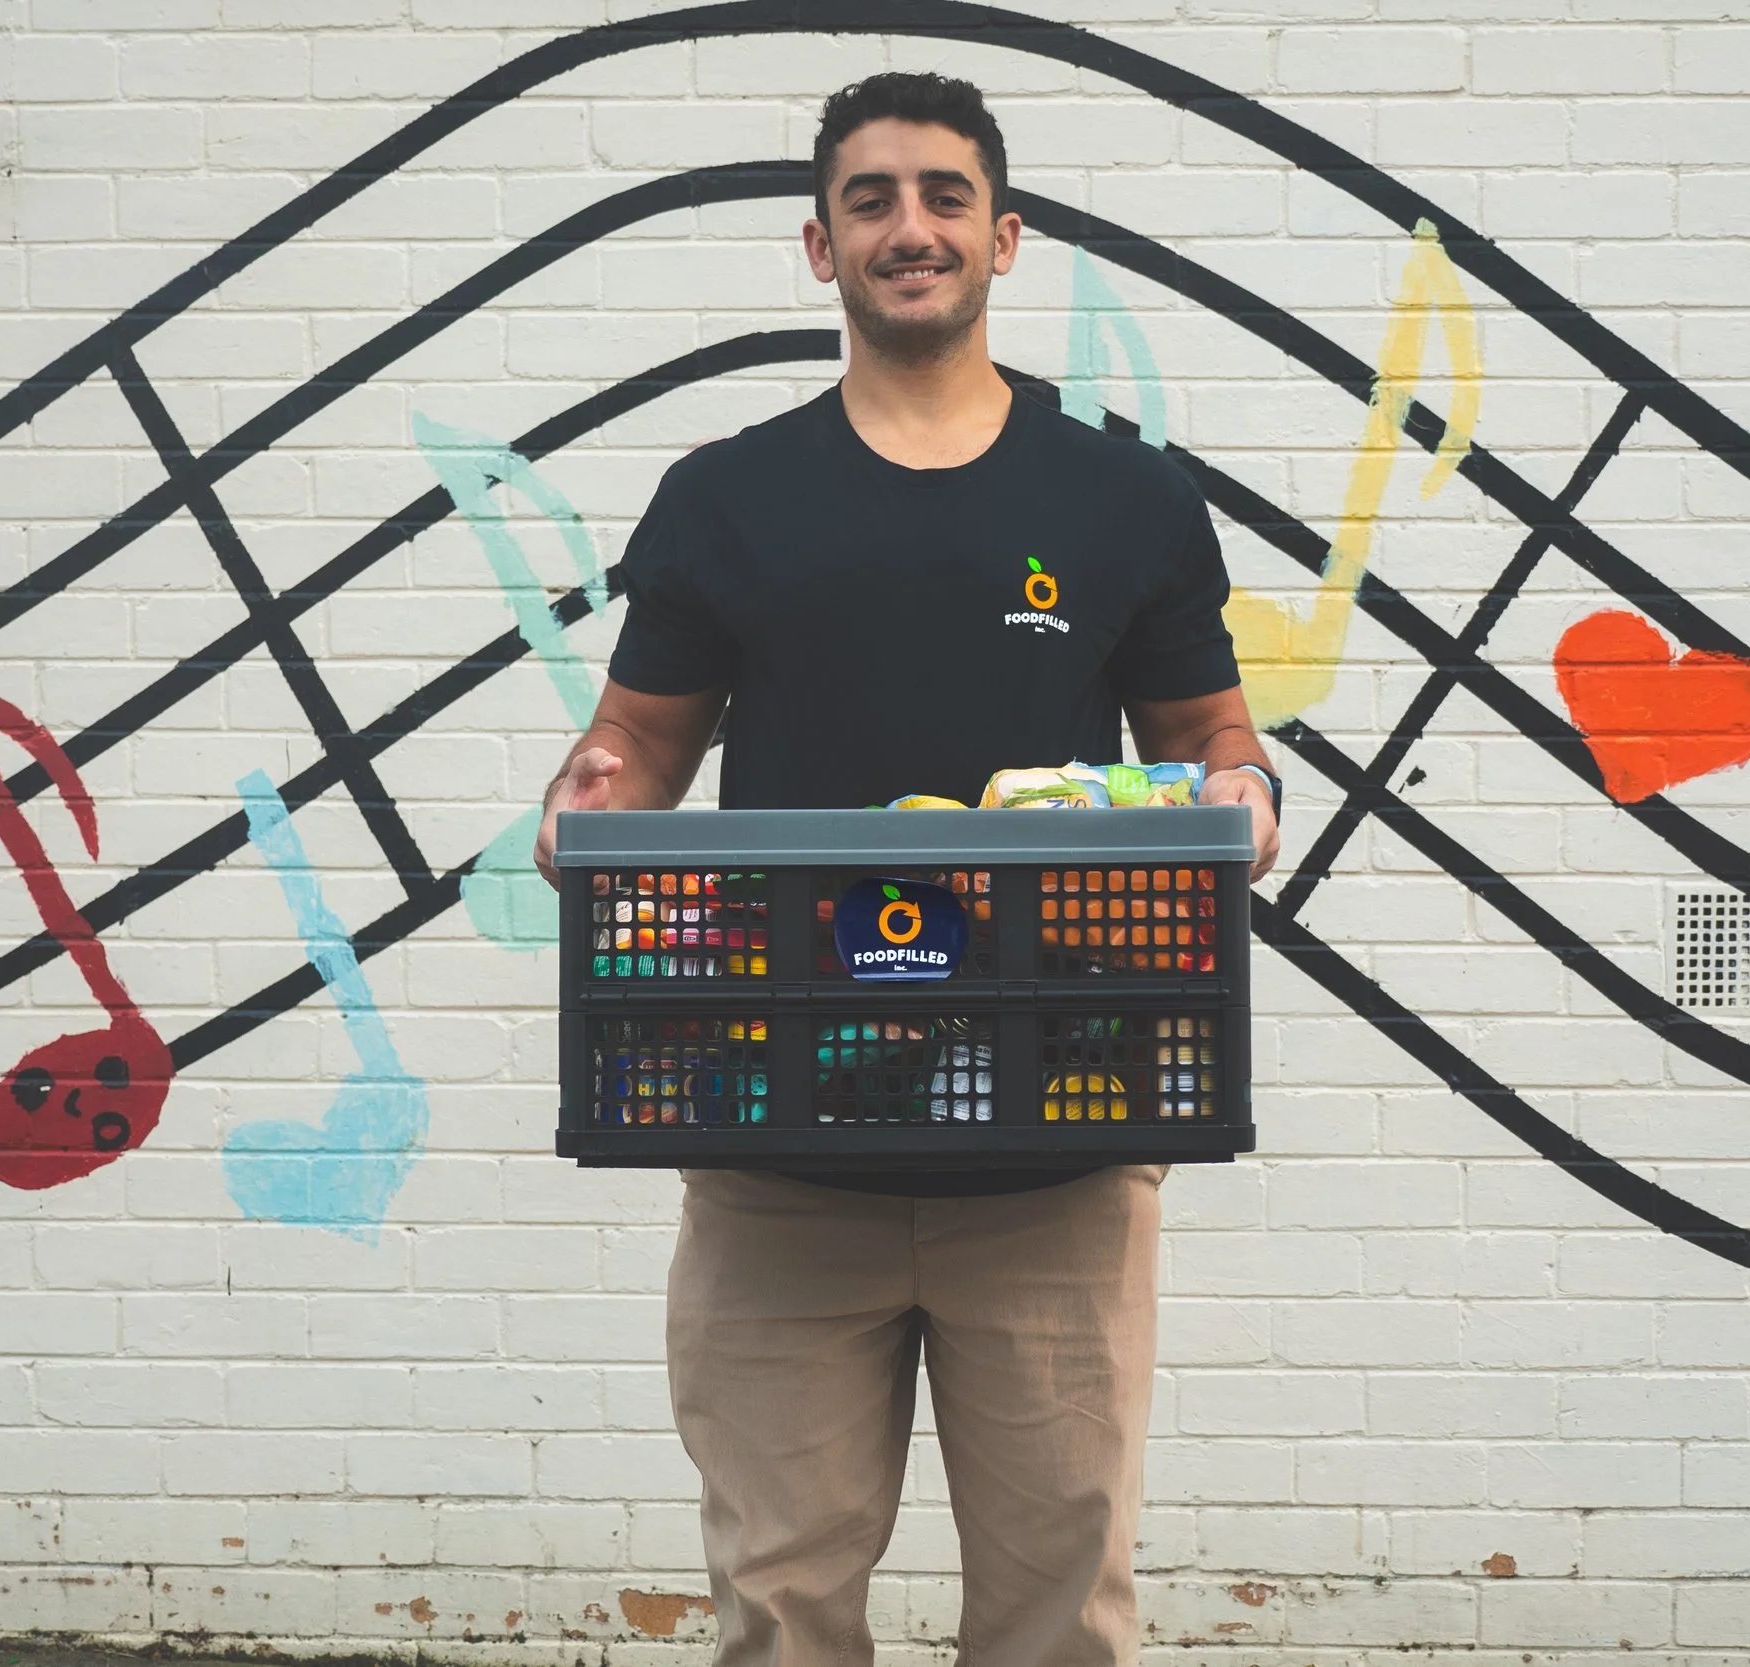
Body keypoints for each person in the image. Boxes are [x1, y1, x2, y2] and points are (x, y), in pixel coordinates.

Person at [533, 72, 1281, 1667]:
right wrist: (590, 801)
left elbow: (1216, 732)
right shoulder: (725, 499)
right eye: (869, 199)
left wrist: (1241, 799)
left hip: (1064, 1139)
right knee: (781, 1601)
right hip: (779, 1139)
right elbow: (637, 749)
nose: (910, 226)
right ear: (820, 248)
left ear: (1006, 239)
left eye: (945, 195)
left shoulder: (1125, 497)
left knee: (1059, 1609)